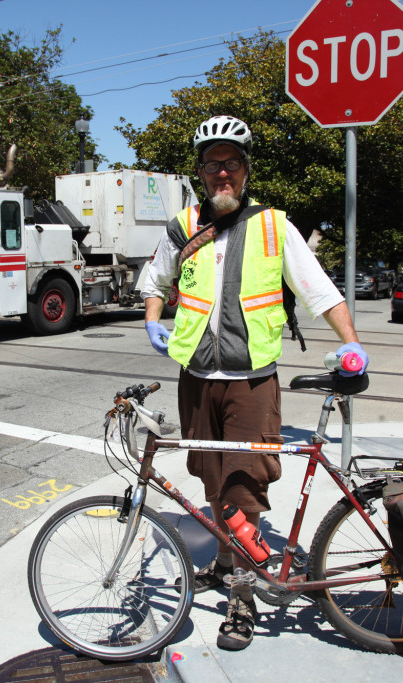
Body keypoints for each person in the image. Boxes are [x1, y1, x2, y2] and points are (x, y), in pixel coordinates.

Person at [141, 115, 369, 651]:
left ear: (246, 170)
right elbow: (156, 278)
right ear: (200, 172)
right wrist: (152, 318)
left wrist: (353, 342)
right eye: (212, 164)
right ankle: (226, 565)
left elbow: (319, 290)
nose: (222, 172)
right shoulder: (182, 227)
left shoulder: (273, 226)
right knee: (211, 481)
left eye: (232, 163)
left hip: (251, 382)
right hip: (196, 378)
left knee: (243, 490)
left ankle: (242, 598)